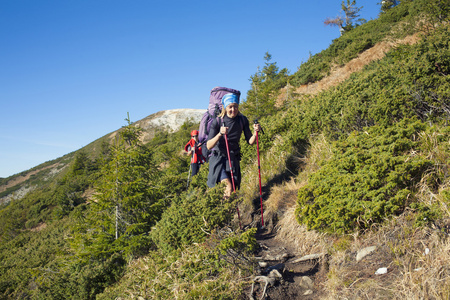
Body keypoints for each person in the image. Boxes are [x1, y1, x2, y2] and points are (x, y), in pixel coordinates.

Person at [206, 92, 261, 198]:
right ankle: (224, 212)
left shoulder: (242, 120)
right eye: (230, 107)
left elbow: (250, 141)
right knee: (228, 187)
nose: (233, 110)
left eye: (235, 106)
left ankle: (225, 210)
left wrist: (255, 132)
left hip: (232, 158)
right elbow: (209, 145)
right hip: (218, 159)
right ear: (225, 107)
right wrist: (220, 134)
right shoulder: (218, 121)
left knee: (233, 190)